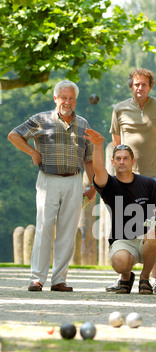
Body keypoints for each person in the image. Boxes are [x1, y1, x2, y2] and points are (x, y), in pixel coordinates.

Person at [8, 80, 95, 292]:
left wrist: (93, 186)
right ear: (55, 98)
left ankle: (59, 280)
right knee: (44, 227)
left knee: (67, 230)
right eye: (63, 97)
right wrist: (33, 152)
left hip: (75, 180)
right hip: (48, 179)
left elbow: (89, 159)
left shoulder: (83, 124)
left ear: (75, 100)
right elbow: (14, 135)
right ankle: (37, 278)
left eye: (71, 98)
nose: (67, 101)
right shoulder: (41, 119)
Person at [109, 68, 156, 293]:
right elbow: (117, 143)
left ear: (150, 86)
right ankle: (125, 275)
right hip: (125, 178)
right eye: (137, 84)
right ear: (131, 86)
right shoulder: (119, 109)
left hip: (154, 176)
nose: (140, 88)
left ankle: (153, 278)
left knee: (155, 227)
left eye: (144, 84)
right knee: (124, 223)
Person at [84, 129, 156, 295]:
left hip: (146, 240)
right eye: (118, 159)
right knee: (121, 263)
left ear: (132, 161)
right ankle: (126, 277)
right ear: (113, 162)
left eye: (125, 158)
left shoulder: (150, 184)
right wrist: (98, 145)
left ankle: (145, 278)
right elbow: (99, 170)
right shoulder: (109, 185)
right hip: (122, 240)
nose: (122, 161)